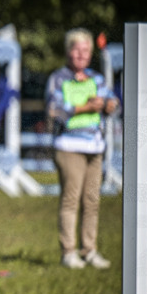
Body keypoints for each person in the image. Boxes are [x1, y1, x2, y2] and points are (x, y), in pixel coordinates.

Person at [44, 28, 118, 270]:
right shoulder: (58, 78)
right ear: (68, 52)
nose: (81, 54)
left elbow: (110, 105)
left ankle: (89, 250)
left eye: (86, 50)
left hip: (94, 147)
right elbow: (56, 110)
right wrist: (87, 106)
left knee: (92, 201)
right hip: (68, 147)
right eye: (76, 49)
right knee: (71, 199)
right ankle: (68, 252)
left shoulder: (97, 79)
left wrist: (108, 105)